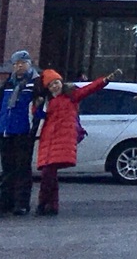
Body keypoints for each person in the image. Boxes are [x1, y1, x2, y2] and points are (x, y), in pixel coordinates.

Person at [31, 69, 116, 216]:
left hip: (61, 140)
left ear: (61, 83)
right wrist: (36, 106)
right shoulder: (47, 101)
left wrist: (104, 80)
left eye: (56, 83)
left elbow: (89, 89)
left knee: (48, 174)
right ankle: (52, 206)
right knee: (50, 174)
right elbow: (38, 115)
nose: (55, 87)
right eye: (51, 85)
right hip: (48, 139)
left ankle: (43, 204)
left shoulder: (71, 96)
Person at [0, 51, 39, 216]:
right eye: (16, 64)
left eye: (22, 63)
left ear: (29, 64)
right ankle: (4, 202)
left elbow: (40, 107)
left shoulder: (35, 83)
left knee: (22, 169)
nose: (19, 67)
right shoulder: (8, 83)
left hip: (24, 132)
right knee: (7, 168)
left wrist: (33, 128)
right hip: (6, 130)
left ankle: (22, 204)